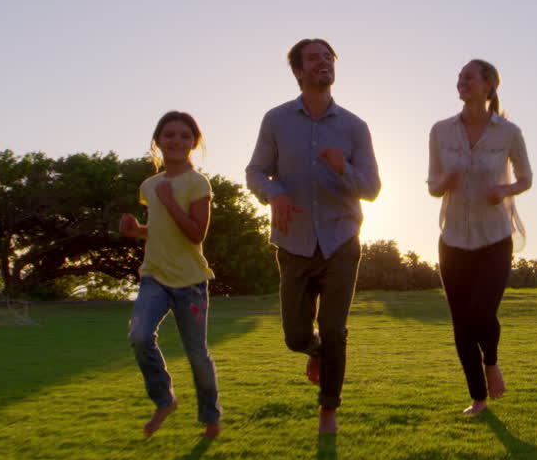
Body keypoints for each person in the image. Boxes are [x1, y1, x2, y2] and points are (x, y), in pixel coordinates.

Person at [246, 38, 381, 434]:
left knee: (335, 329)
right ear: (298, 71)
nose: (324, 62)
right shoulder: (276, 120)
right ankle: (315, 350)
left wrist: (343, 169)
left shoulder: (355, 127)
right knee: (295, 335)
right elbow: (255, 172)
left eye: (328, 57)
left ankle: (328, 410)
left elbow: (372, 189)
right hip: (294, 242)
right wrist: (275, 193)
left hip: (342, 240)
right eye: (314, 58)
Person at [428, 59, 533, 415]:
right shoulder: (440, 131)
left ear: (488, 85)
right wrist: (445, 182)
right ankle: (478, 399)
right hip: (453, 239)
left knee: (481, 313)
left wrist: (505, 190)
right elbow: (432, 185)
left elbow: (526, 178)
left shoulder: (509, 132)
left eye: (469, 77)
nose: (462, 81)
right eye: (459, 77)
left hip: (495, 238)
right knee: (461, 323)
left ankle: (491, 362)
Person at [120, 111, 222, 439]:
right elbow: (161, 230)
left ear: (194, 143)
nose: (176, 141)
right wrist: (136, 231)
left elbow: (195, 234)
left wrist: (169, 201)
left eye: (184, 135)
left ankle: (210, 417)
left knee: (197, 355)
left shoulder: (197, 183)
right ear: (158, 142)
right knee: (139, 337)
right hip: (154, 277)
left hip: (190, 282)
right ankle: (164, 400)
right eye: (169, 135)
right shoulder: (149, 185)